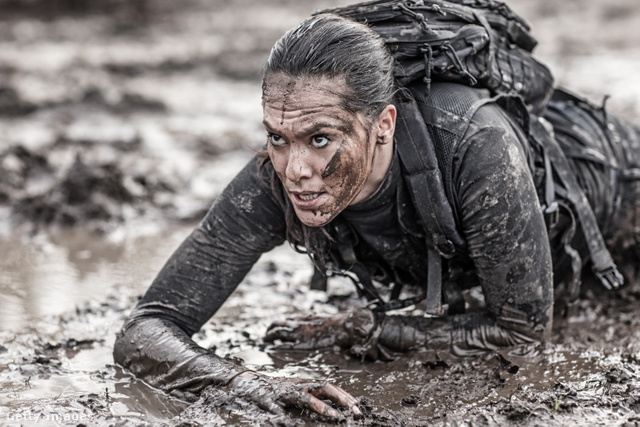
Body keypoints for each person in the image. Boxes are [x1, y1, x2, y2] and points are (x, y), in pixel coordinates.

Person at [113, 9, 640, 421]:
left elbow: (523, 335)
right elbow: (145, 330)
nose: (295, 170)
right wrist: (239, 382)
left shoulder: (476, 147)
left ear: (383, 124)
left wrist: (366, 325)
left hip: (621, 195)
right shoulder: (275, 178)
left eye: (320, 139)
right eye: (277, 137)